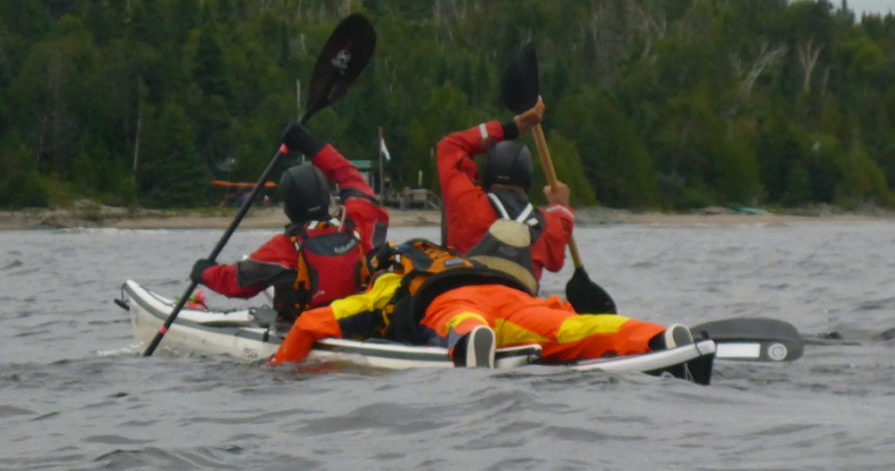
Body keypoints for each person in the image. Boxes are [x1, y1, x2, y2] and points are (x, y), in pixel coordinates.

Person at [269, 230, 693, 368]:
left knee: (462, 320)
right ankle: (656, 338)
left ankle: (471, 342)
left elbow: (308, 325)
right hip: (508, 295)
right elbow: (561, 308)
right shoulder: (455, 259)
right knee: (571, 327)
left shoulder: (386, 283)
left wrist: (278, 369)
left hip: (450, 304)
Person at [190, 122, 389, 322]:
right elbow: (349, 176)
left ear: (289, 209)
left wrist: (204, 272)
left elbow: (235, 282)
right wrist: (309, 145)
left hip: (306, 331)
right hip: (362, 324)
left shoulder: (284, 248)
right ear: (326, 196)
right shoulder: (361, 223)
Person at [437, 96, 574, 281]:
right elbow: (556, 261)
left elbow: (450, 146)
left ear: (488, 172)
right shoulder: (548, 225)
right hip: (517, 304)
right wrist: (561, 205)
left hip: (465, 300)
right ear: (527, 180)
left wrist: (512, 127)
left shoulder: (465, 203)